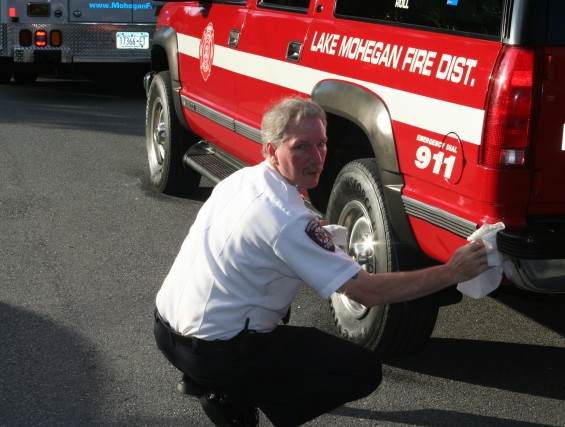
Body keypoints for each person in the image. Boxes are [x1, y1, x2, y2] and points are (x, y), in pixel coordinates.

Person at [153, 96, 489, 427]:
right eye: (301, 147)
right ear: (271, 150)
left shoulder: (240, 181)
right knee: (361, 370)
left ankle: (206, 377)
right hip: (214, 354)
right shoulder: (287, 219)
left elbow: (257, 242)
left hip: (166, 333)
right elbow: (367, 293)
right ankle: (233, 399)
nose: (316, 157)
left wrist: (320, 239)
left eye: (322, 143)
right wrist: (452, 271)